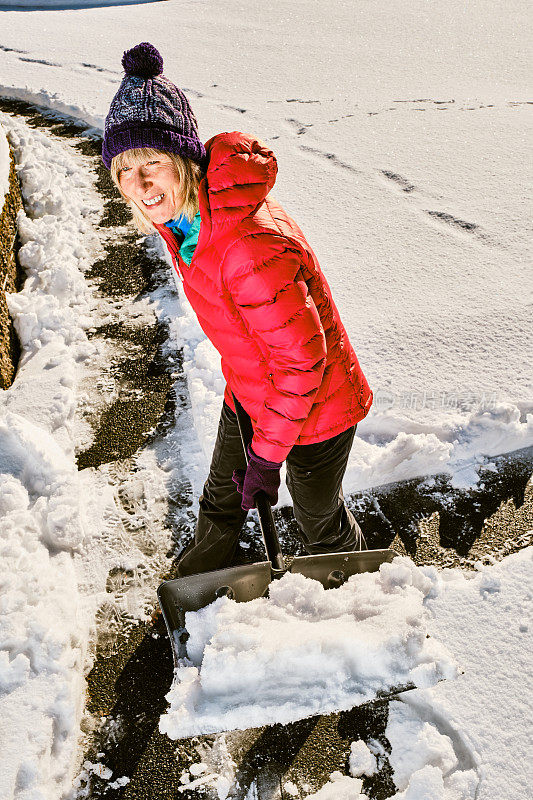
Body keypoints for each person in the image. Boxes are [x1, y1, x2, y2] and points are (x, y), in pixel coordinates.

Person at [103, 42, 373, 577]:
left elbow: (303, 364)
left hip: (318, 402)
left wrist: (268, 458)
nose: (140, 187)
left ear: (182, 161)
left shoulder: (244, 245)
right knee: (223, 492)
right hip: (251, 385)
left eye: (151, 165)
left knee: (316, 512)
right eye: (124, 173)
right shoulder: (184, 221)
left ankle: (363, 588)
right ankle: (202, 572)